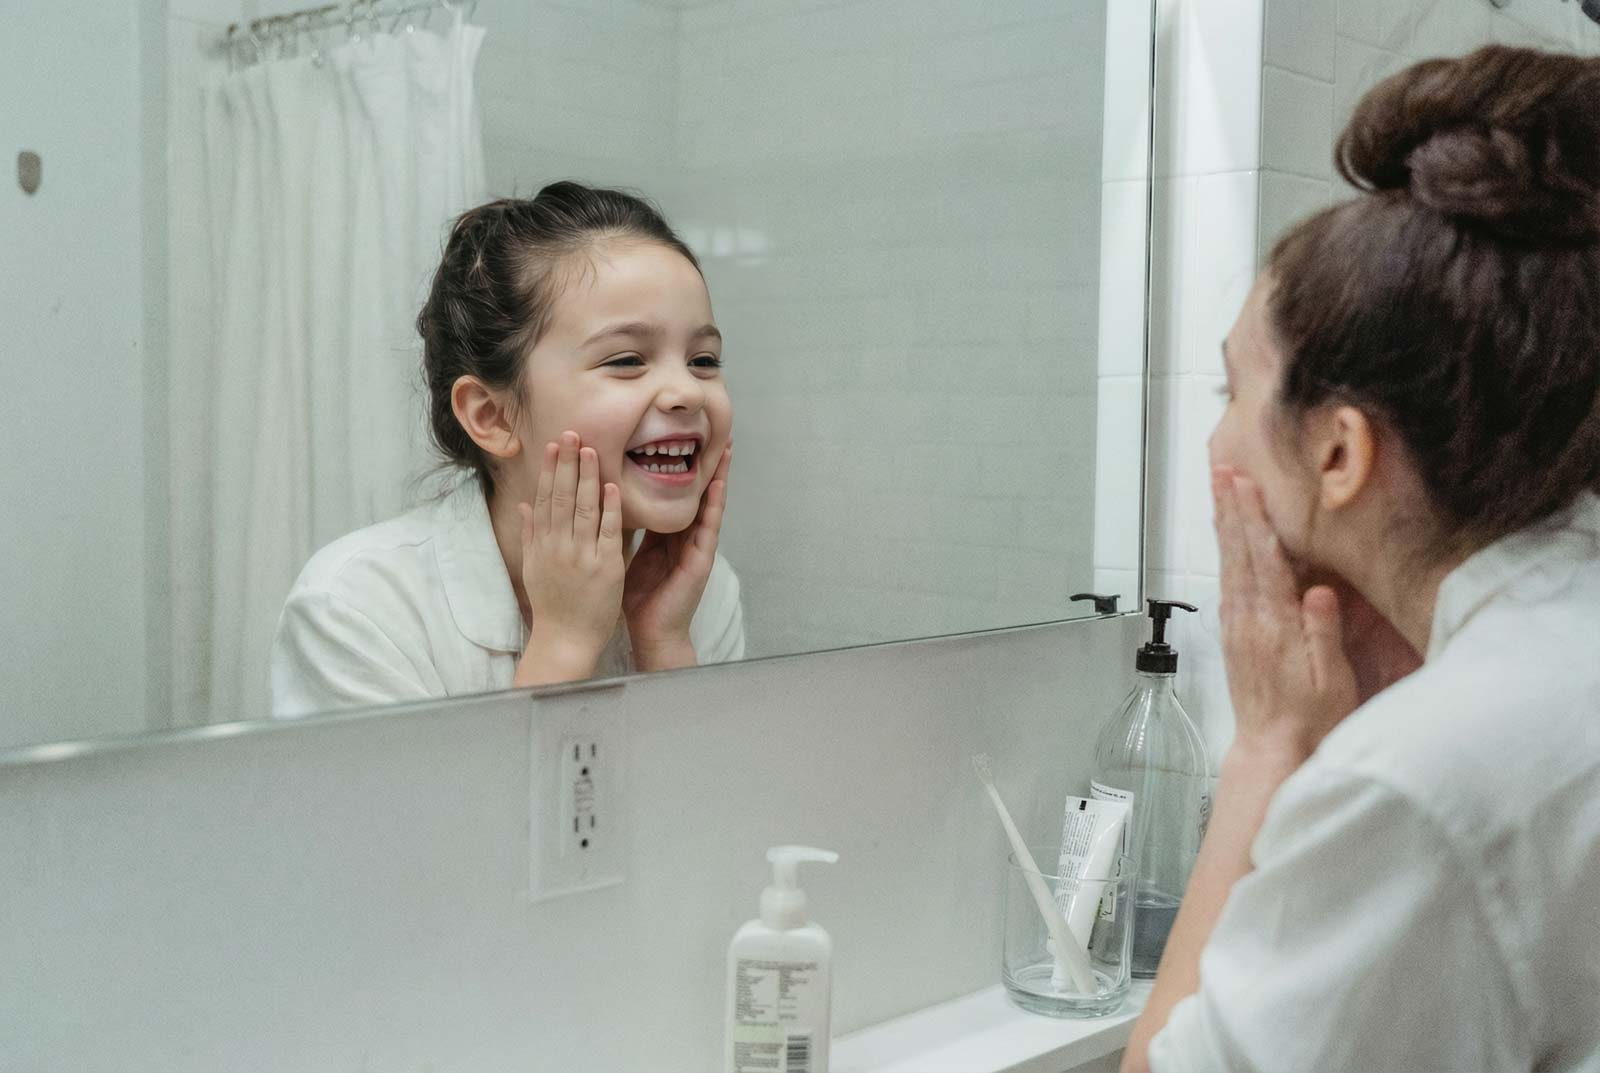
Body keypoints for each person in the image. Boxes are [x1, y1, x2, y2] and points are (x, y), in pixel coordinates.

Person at [1124, 46, 1600, 1072]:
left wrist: (1267, 748)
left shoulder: (1416, 783)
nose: (1216, 445)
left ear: (1336, 453)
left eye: (1230, 395)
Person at [271, 182, 743, 718]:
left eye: (704, 360)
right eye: (627, 359)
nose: (686, 391)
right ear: (491, 416)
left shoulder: (702, 594)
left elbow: (702, 801)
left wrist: (665, 647)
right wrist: (563, 643)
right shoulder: (356, 606)